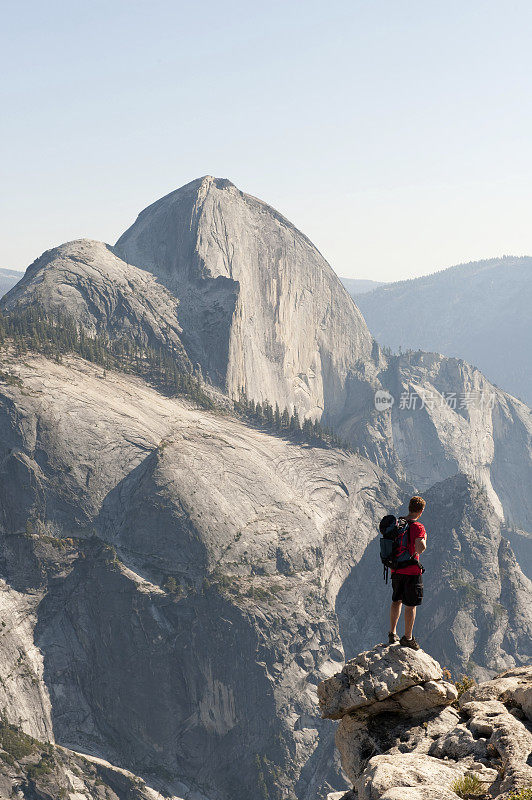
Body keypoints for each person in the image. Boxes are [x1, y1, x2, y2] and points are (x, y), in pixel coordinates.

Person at [388, 495, 427, 650]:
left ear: (409, 507)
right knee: (410, 605)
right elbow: (420, 548)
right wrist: (424, 537)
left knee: (396, 600)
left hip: (395, 569)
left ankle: (392, 633)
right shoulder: (418, 526)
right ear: (421, 511)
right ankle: (408, 638)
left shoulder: (398, 523)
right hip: (411, 571)